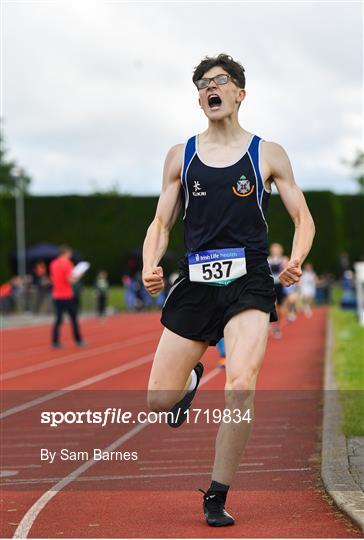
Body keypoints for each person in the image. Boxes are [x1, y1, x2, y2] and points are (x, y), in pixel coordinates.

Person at [142, 53, 315, 527]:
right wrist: (149, 264)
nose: (209, 89)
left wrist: (297, 258)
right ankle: (190, 381)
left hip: (250, 282)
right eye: (201, 85)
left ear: (240, 92)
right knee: (158, 399)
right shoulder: (182, 155)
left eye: (218, 82)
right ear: (199, 99)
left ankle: (216, 493)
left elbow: (302, 217)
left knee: (240, 384)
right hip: (196, 283)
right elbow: (161, 221)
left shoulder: (268, 153)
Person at [49, 245, 84, 348]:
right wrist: (79, 275)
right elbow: (70, 280)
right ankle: (78, 340)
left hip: (56, 295)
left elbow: (53, 278)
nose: (70, 255)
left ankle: (55, 341)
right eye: (69, 253)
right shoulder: (68, 263)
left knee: (58, 319)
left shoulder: (53, 264)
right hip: (67, 295)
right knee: (73, 319)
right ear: (65, 253)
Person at [268, 243, 286, 338]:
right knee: (273, 305)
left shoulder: (283, 260)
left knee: (280, 309)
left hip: (280, 285)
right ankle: (273, 325)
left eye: (277, 249)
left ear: (280, 250)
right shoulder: (268, 260)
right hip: (271, 285)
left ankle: (278, 325)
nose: (276, 251)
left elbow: (286, 270)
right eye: (274, 249)